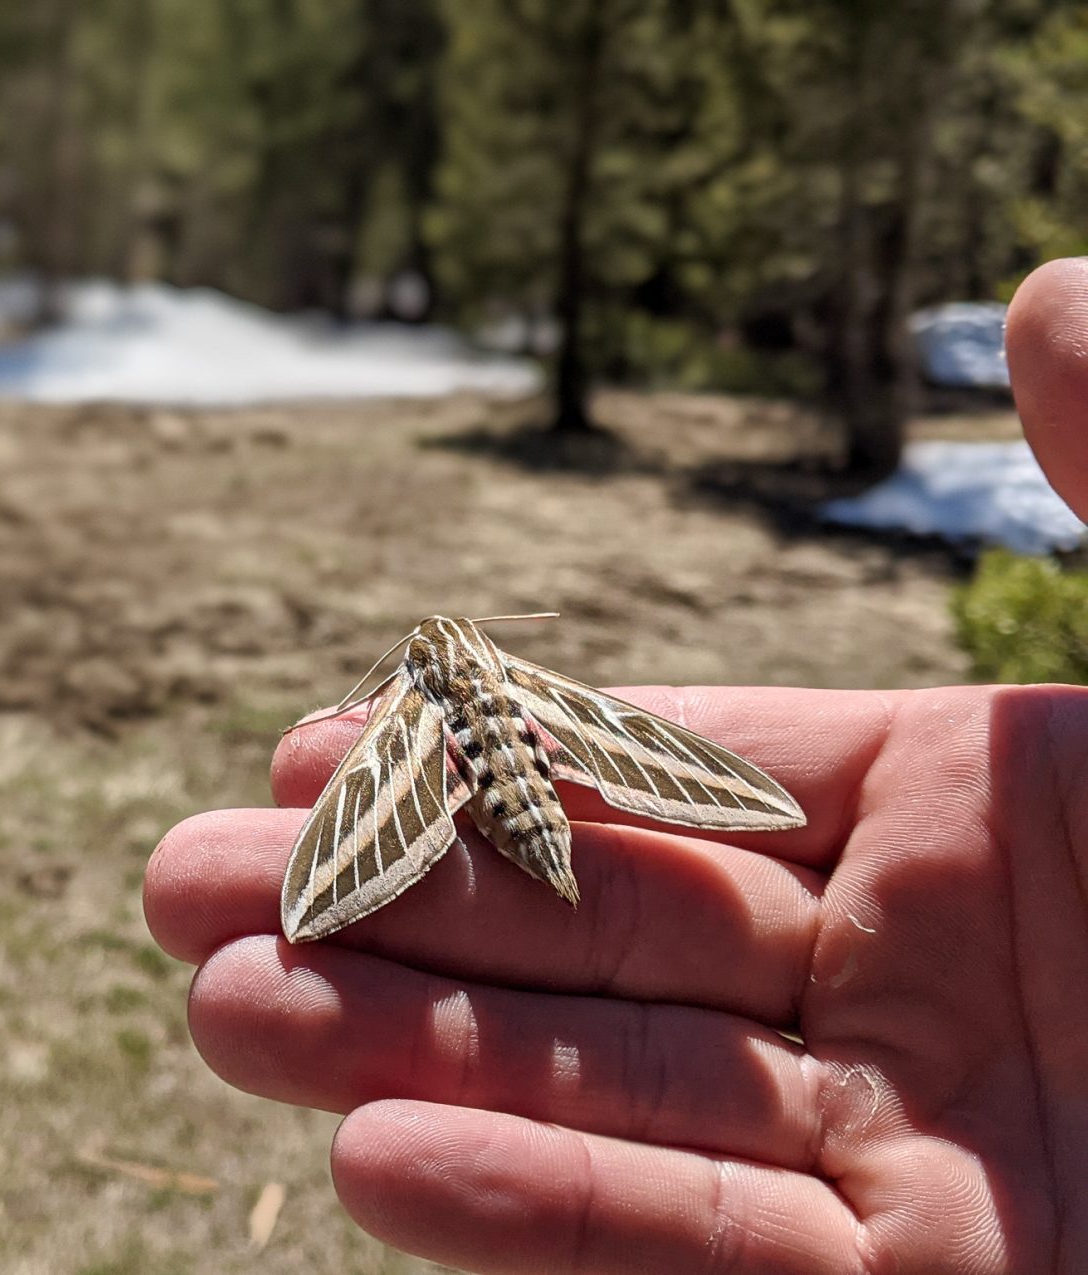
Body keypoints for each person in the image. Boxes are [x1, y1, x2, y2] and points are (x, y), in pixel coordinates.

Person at [144, 259, 1088, 1274]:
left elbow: (378, 704)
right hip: (527, 773)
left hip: (480, 792)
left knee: (348, 859)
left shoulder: (416, 696)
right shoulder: (509, 683)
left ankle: (385, 870)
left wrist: (365, 710)